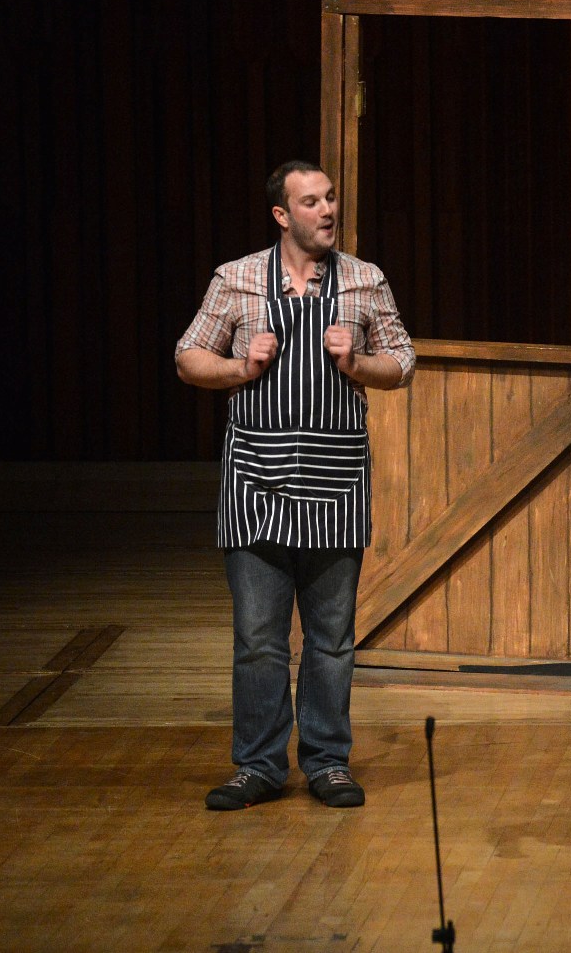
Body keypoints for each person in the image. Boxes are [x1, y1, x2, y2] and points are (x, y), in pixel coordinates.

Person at [175, 160, 415, 811]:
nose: (327, 210)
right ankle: (257, 764)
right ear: (281, 214)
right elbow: (187, 355)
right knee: (259, 638)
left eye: (330, 197)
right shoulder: (238, 279)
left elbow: (403, 362)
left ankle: (327, 760)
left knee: (331, 639)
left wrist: (356, 361)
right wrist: (238, 366)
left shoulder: (365, 281)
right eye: (311, 201)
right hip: (257, 482)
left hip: (336, 488)